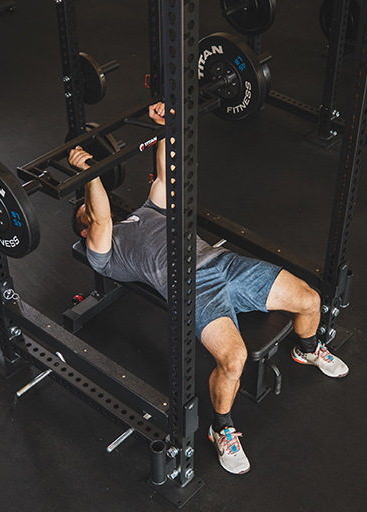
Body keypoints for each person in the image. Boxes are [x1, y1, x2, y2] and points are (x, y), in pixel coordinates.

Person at [69, 102, 349, 475]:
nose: (91, 214)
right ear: (84, 231)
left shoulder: (146, 212)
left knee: (310, 300)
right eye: (83, 216)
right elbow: (100, 215)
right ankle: (222, 429)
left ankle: (309, 349)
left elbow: (166, 176)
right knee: (234, 360)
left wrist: (166, 128)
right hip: (193, 290)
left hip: (226, 264)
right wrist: (89, 172)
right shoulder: (103, 251)